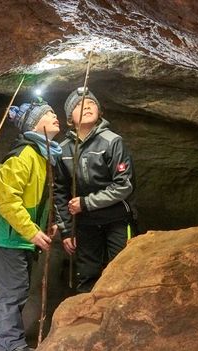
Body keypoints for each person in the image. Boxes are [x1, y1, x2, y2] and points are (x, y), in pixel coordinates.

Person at [0, 98, 62, 351]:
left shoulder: (41, 155)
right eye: (48, 113)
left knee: (16, 287)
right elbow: (7, 199)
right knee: (14, 290)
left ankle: (2, 336)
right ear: (33, 124)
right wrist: (31, 231)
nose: (55, 115)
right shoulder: (23, 155)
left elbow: (38, 199)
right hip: (9, 236)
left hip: (19, 235)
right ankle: (10, 343)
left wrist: (45, 226)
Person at [54, 87, 137, 293]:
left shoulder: (112, 141)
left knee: (122, 271)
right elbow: (59, 191)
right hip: (85, 224)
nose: (87, 107)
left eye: (91, 104)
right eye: (79, 106)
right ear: (69, 119)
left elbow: (123, 185)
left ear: (100, 112)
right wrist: (66, 231)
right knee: (87, 275)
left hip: (117, 219)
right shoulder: (62, 149)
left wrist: (85, 203)